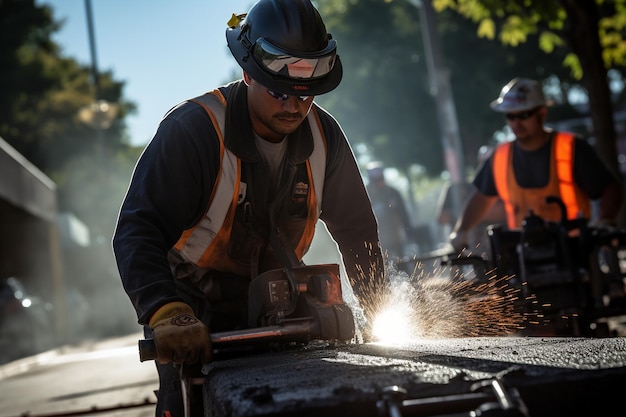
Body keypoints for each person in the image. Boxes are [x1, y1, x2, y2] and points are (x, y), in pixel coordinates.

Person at [111, 1, 385, 415]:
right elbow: (138, 228)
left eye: (305, 93)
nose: (293, 106)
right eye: (278, 91)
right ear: (247, 73)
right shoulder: (196, 131)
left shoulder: (325, 137)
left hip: (283, 300)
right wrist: (165, 310)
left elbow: (357, 232)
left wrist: (377, 308)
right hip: (193, 306)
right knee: (189, 404)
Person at [449, 77, 623, 252]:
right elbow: (481, 198)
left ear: (542, 113)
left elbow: (609, 189)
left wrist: (606, 220)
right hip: (524, 255)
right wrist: (460, 231)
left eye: (524, 115)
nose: (516, 123)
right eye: (511, 116)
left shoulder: (572, 148)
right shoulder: (499, 157)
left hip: (575, 252)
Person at [437, 146, 505, 255]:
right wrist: (460, 231)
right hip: (479, 247)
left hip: (504, 241)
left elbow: (502, 211)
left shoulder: (506, 185)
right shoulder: (471, 189)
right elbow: (442, 218)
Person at [365, 162, 414, 261]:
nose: (379, 183)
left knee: (401, 262)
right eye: (376, 180)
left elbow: (404, 215)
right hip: (376, 238)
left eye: (380, 179)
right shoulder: (365, 195)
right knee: (381, 263)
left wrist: (409, 234)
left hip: (395, 235)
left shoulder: (393, 193)